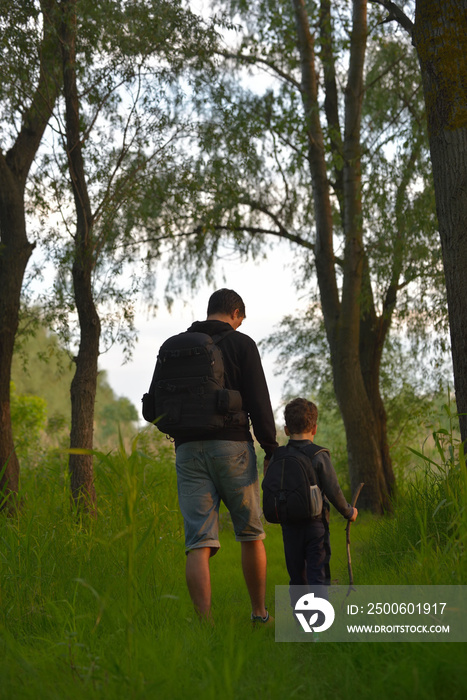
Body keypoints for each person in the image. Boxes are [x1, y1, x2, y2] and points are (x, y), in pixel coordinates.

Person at [174, 288, 278, 622]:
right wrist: (270, 447)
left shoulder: (178, 344)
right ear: (235, 313)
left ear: (209, 311)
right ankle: (259, 613)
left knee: (199, 541)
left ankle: (204, 626)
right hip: (232, 447)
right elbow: (259, 400)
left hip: (187, 450)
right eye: (240, 320)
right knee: (251, 534)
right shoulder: (241, 343)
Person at [276, 398, 357, 597]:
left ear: (286, 430)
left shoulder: (279, 456)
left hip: (289, 526)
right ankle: (318, 625)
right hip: (316, 527)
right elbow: (333, 490)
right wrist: (348, 511)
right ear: (315, 428)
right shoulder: (319, 455)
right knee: (317, 574)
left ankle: (301, 624)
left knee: (297, 577)